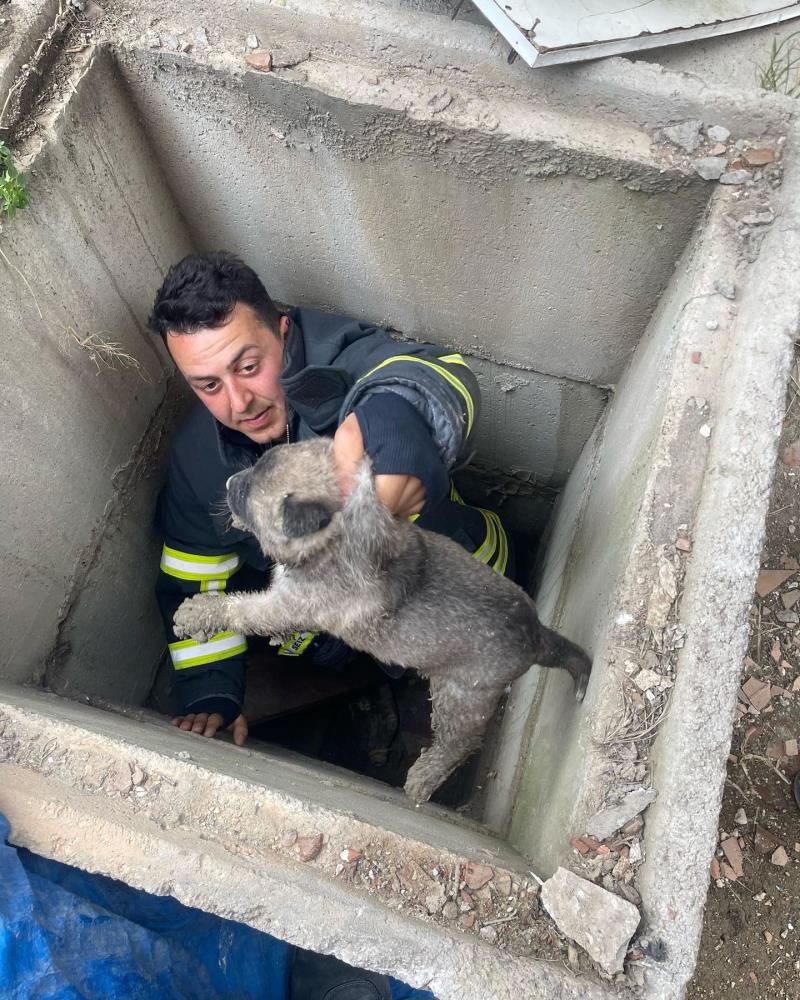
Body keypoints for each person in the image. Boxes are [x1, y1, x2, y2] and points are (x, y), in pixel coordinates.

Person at [150, 252, 514, 747]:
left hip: (451, 596)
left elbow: (435, 375)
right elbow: (193, 580)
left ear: (281, 331)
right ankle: (370, 684)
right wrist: (211, 693)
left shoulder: (337, 359)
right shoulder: (197, 459)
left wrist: (394, 420)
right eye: (209, 385)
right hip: (337, 635)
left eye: (249, 367)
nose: (238, 404)